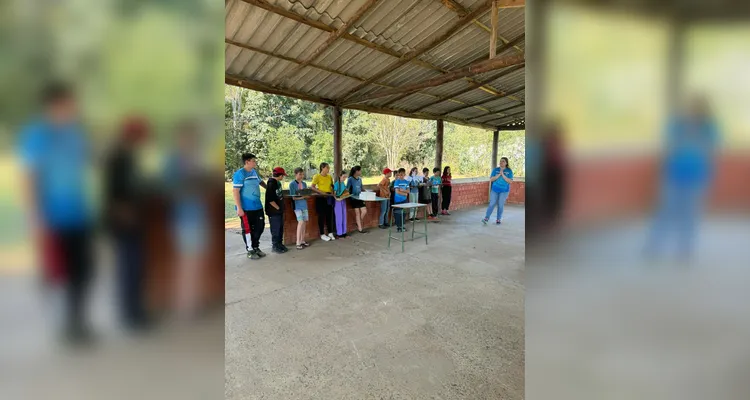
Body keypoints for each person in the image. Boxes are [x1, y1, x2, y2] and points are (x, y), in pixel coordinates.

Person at [18, 82, 95, 344]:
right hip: (54, 218)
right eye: (68, 104)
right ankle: (67, 326)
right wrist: (35, 217)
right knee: (59, 274)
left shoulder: (75, 134)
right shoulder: (37, 136)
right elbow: (29, 177)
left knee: (83, 272)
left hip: (79, 215)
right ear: (53, 105)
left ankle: (77, 322)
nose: (73, 109)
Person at [645, 96, 720, 261]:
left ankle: (685, 249)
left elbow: (712, 152)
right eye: (692, 107)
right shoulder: (676, 124)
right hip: (673, 175)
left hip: (697, 176)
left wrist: (710, 177)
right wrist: (662, 172)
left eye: (699, 107)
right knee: (666, 211)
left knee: (691, 214)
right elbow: (667, 149)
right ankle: (654, 246)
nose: (694, 110)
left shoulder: (709, 128)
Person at [104, 117, 149, 331]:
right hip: (124, 223)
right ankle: (130, 314)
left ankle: (135, 309)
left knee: (136, 267)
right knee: (129, 268)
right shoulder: (117, 158)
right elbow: (114, 193)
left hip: (134, 222)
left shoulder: (130, 157)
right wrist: (125, 212)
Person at [232, 153, 268, 260]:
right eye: (253, 161)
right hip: (246, 208)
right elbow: (235, 191)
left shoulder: (254, 172)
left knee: (260, 227)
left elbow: (261, 182)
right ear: (247, 162)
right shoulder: (240, 174)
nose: (255, 162)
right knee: (247, 229)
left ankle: (256, 246)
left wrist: (270, 189)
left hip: (257, 206)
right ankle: (250, 249)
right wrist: (239, 207)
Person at [484, 157, 514, 225]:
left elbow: (510, 181)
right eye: (500, 161)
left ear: (506, 163)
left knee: (500, 205)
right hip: (495, 190)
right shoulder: (495, 170)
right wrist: (499, 174)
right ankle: (486, 218)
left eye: (503, 161)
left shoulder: (509, 171)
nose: (501, 162)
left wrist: (503, 174)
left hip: (504, 191)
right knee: (492, 204)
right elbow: (491, 179)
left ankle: (498, 219)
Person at [265, 167, 288, 254]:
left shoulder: (277, 183)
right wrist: (278, 208)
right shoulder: (271, 184)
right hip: (273, 211)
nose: (283, 177)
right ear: (280, 175)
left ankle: (279, 244)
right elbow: (270, 199)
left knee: (280, 228)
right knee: (276, 229)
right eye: (283, 175)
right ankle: (275, 246)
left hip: (279, 211)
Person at [288, 167, 311, 250]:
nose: (301, 176)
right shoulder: (292, 184)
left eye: (302, 174)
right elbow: (293, 198)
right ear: (295, 174)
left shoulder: (304, 184)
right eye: (300, 174)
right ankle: (298, 242)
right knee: (300, 222)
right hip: (297, 206)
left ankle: (302, 240)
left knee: (304, 223)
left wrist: (307, 195)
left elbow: (306, 194)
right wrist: (303, 197)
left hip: (304, 205)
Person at [311, 162, 336, 242]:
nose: (328, 169)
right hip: (321, 197)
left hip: (329, 197)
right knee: (321, 216)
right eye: (327, 168)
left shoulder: (329, 177)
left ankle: (330, 232)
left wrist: (333, 193)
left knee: (330, 215)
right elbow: (312, 187)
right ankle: (322, 234)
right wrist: (321, 192)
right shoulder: (317, 176)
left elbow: (332, 186)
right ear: (322, 168)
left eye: (329, 168)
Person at [347, 165, 368, 234]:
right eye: (360, 170)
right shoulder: (350, 179)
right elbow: (347, 189)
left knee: (364, 211)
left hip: (360, 197)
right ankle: (360, 228)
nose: (361, 172)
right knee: (357, 213)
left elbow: (361, 188)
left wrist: (367, 192)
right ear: (356, 171)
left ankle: (358, 222)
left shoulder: (360, 179)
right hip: (354, 198)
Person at [392, 168, 410, 232]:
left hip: (404, 200)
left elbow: (408, 191)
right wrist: (404, 194)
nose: (402, 176)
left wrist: (403, 190)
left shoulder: (406, 182)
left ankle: (402, 226)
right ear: (398, 174)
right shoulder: (397, 182)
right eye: (400, 174)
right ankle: (398, 227)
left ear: (405, 174)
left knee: (404, 213)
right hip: (398, 200)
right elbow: (397, 192)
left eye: (403, 174)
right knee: (398, 213)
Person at [333, 171, 350, 239]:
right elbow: (334, 194)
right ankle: (339, 234)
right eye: (343, 177)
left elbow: (345, 192)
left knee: (344, 216)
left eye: (345, 177)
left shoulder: (343, 184)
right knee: (339, 217)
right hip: (338, 201)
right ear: (340, 176)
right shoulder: (336, 184)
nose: (344, 178)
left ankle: (344, 232)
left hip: (343, 200)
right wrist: (337, 199)